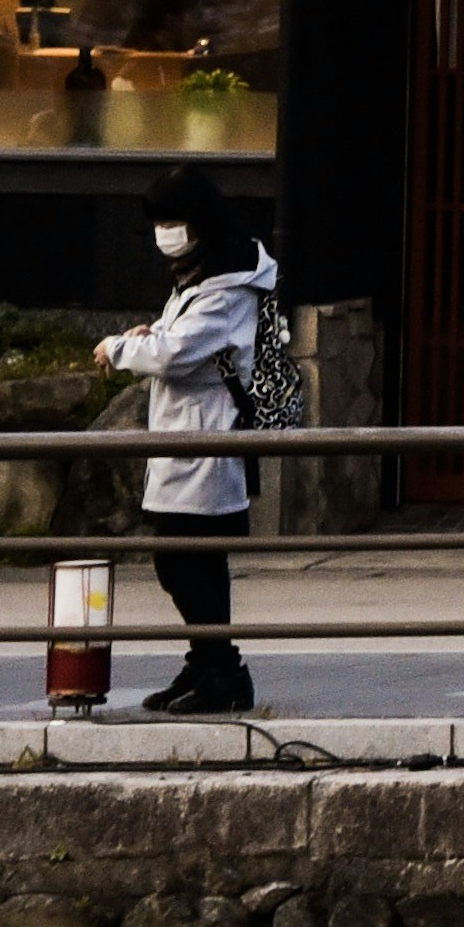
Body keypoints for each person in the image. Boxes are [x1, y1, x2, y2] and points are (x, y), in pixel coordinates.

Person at [96, 166, 276, 715]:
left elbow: (178, 354)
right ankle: (208, 663)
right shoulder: (201, 276)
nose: (165, 233)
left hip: (206, 439)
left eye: (173, 221)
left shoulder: (227, 286)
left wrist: (119, 349)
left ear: (200, 221)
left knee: (186, 561)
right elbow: (178, 339)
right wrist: (150, 333)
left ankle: (223, 670)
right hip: (187, 437)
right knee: (188, 562)